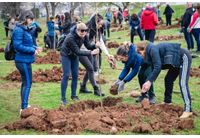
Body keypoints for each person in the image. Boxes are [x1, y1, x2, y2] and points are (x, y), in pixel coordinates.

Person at [136, 40, 193, 119]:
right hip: (175, 62)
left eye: (139, 53)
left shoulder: (152, 49)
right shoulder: (150, 53)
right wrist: (147, 82)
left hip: (183, 58)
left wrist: (149, 82)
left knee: (183, 83)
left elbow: (158, 67)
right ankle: (167, 101)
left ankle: (188, 110)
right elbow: (153, 70)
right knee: (168, 79)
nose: (140, 56)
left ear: (143, 49)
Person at [60, 22, 100, 105]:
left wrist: (95, 46)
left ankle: (74, 96)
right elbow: (78, 51)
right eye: (82, 31)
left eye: (85, 31)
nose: (84, 33)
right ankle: (63, 98)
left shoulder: (84, 35)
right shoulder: (70, 38)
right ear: (77, 30)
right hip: (66, 55)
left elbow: (88, 45)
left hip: (74, 56)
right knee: (66, 75)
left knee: (75, 75)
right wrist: (91, 53)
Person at [12, 10, 42, 113]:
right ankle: (24, 108)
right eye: (31, 19)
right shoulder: (19, 30)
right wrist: (32, 50)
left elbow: (27, 43)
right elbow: (18, 46)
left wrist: (35, 47)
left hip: (26, 60)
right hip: (22, 60)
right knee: (28, 83)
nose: (32, 21)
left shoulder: (24, 29)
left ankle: (24, 105)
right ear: (26, 18)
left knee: (26, 82)